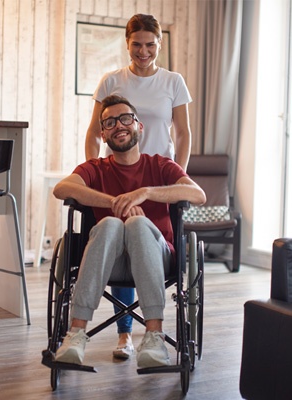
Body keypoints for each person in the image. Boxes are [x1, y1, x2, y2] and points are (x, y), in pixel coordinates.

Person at [53, 95, 206, 368]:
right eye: (109, 122)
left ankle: (154, 336)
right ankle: (75, 335)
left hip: (157, 258)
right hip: (109, 262)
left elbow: (198, 194)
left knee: (137, 224)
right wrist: (115, 203)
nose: (119, 126)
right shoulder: (96, 169)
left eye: (126, 119)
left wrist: (144, 193)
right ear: (103, 134)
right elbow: (62, 189)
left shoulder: (159, 165)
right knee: (111, 223)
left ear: (139, 126)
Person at [85, 14, 193, 358]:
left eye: (150, 45)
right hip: (117, 174)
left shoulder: (173, 81)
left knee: (144, 240)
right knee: (118, 238)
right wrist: (93, 168)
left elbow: (183, 134)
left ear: (159, 44)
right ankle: (124, 334)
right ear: (127, 44)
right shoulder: (112, 80)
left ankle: (153, 332)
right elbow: (93, 132)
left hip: (158, 178)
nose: (143, 51)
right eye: (136, 45)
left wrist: (177, 179)